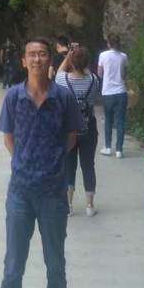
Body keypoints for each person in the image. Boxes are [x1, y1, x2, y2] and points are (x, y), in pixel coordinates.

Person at [0, 38, 85, 288]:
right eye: (31, 54)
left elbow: (72, 135)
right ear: (23, 60)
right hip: (20, 192)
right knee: (12, 268)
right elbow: (8, 137)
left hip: (53, 194)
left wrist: (53, 163)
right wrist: (23, 162)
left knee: (56, 267)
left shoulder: (63, 97)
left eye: (42, 54)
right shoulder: (13, 96)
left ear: (49, 60)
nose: (36, 59)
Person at [55, 45, 100, 217]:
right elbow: (87, 72)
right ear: (87, 63)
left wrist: (69, 55)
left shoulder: (62, 80)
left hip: (68, 129)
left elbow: (60, 71)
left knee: (69, 166)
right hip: (88, 128)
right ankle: (89, 205)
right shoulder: (94, 80)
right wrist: (81, 61)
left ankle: (69, 205)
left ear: (71, 62)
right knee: (88, 166)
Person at [97, 37, 128, 157]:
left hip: (108, 92)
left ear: (108, 43)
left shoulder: (103, 55)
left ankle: (108, 147)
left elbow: (100, 73)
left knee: (108, 120)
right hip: (121, 92)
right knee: (120, 121)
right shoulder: (124, 56)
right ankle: (119, 150)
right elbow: (124, 75)